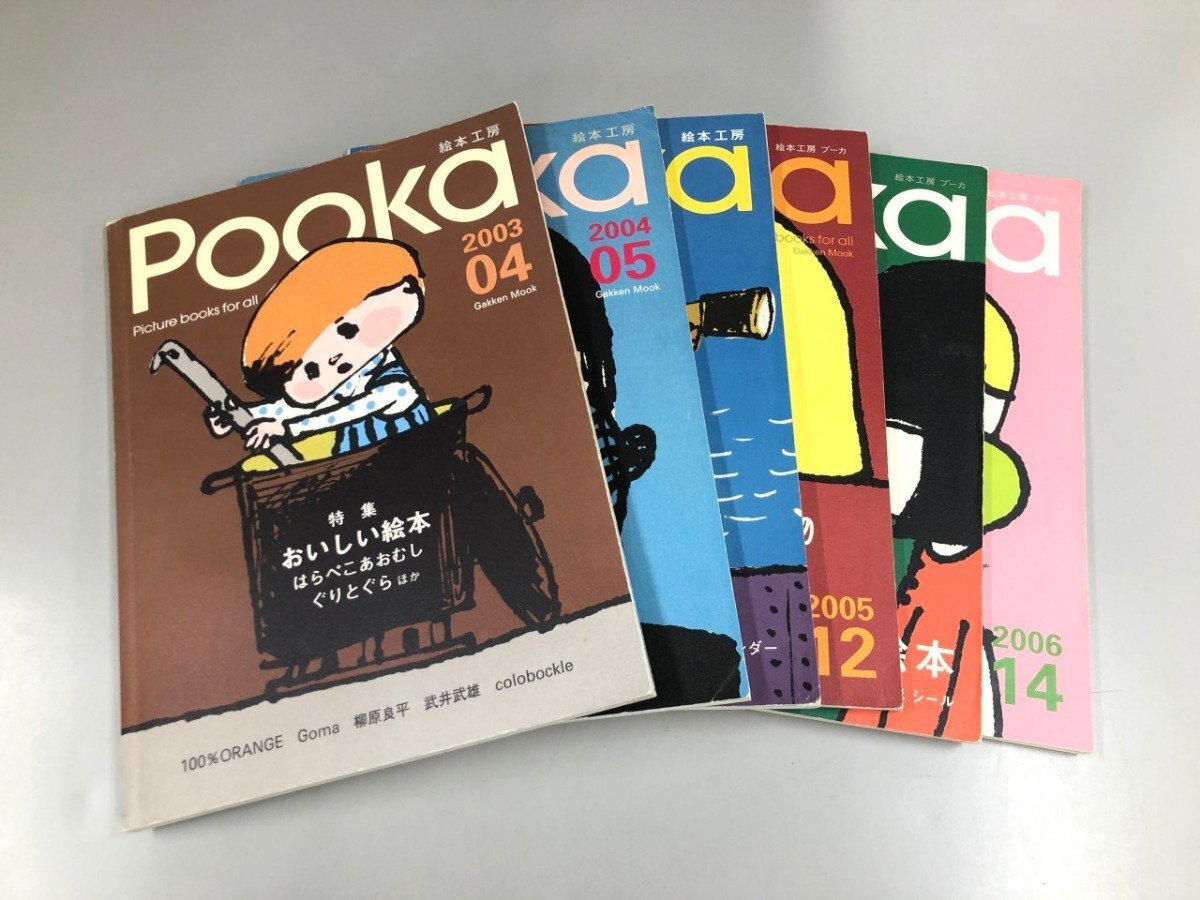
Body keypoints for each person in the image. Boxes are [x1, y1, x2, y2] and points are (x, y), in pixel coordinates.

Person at [205, 238, 433, 455]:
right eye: (311, 369)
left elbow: (351, 410)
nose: (338, 358)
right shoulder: (345, 378)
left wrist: (290, 428)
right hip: (356, 465)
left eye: (348, 331)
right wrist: (242, 415)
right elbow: (299, 407)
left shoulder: (393, 383)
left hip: (414, 454)